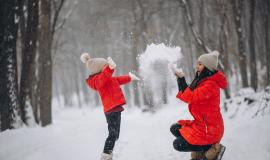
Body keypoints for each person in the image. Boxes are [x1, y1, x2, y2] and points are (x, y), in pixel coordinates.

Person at [80, 53, 140, 160]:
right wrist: (110, 68)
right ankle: (105, 156)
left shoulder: (107, 78)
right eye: (105, 66)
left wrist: (129, 77)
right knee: (112, 134)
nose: (107, 68)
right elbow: (104, 76)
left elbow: (119, 80)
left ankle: (108, 154)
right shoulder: (98, 81)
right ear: (99, 69)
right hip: (111, 110)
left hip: (116, 109)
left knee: (115, 135)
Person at [170, 51, 227, 160]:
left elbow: (190, 97)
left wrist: (182, 79)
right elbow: (186, 95)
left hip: (211, 130)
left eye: (200, 64)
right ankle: (201, 151)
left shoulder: (210, 85)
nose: (197, 66)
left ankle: (214, 149)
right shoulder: (202, 82)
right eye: (197, 63)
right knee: (175, 128)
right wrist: (180, 79)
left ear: (208, 67)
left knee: (178, 144)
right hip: (202, 125)